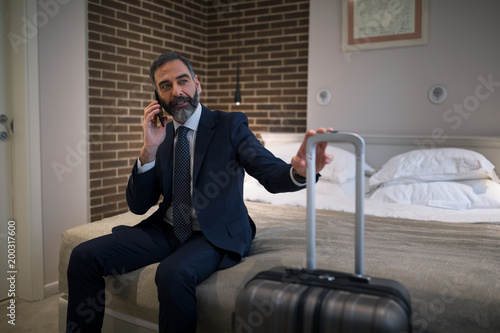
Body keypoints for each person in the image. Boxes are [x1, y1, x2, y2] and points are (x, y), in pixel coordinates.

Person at [66, 51, 332, 333]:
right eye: (165, 85)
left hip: (213, 234)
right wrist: (149, 151)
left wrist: (299, 172)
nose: (177, 91)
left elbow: (268, 171)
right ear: (157, 96)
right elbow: (138, 206)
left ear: (197, 84)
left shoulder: (230, 125)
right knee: (83, 255)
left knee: (172, 273)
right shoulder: (162, 135)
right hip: (166, 229)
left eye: (183, 81)